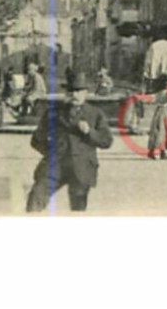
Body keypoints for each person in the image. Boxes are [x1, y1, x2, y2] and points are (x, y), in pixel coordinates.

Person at [25, 70, 113, 213]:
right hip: (55, 166)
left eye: (79, 91)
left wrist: (89, 132)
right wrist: (51, 152)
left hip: (81, 167)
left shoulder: (95, 114)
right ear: (66, 93)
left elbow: (107, 141)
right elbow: (36, 140)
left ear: (86, 93)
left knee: (77, 208)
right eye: (71, 91)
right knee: (35, 197)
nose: (75, 95)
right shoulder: (53, 113)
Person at [146, 79, 167, 160]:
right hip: (165, 111)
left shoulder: (157, 93)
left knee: (158, 131)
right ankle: (163, 151)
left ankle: (156, 151)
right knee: (166, 131)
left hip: (158, 111)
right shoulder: (166, 92)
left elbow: (151, 99)